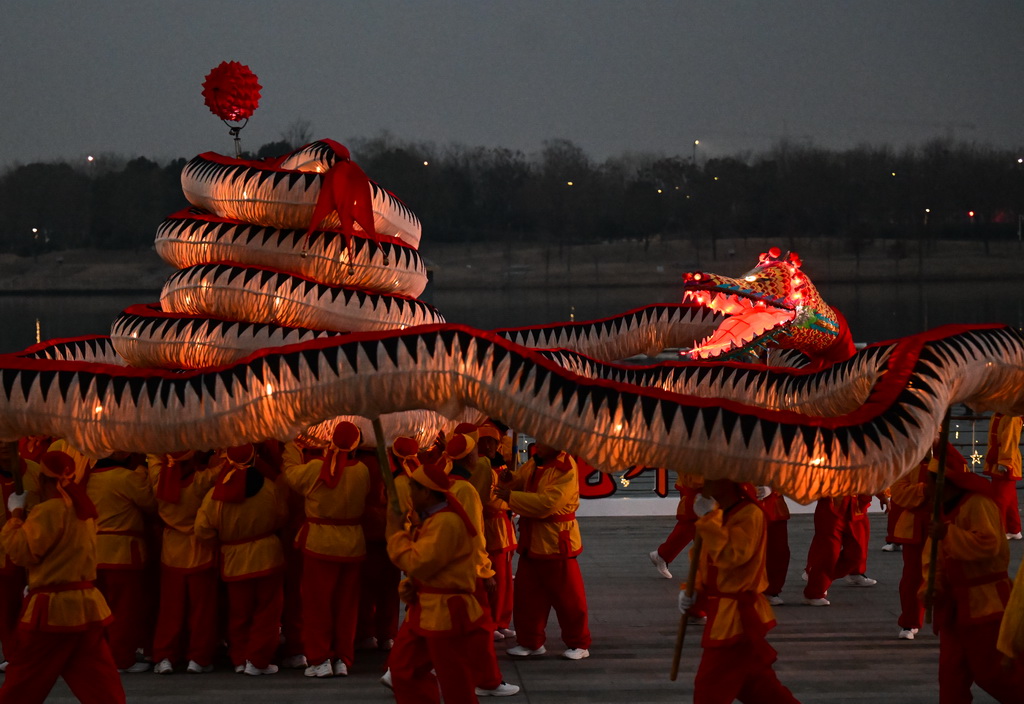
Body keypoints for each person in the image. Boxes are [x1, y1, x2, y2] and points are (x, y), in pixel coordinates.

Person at [0, 448, 127, 704]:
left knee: (24, 680)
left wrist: (15, 516)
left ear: (43, 479)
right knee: (99, 682)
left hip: (52, 610)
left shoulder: (49, 511)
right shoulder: (83, 511)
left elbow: (21, 552)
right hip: (86, 607)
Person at [677, 477, 800, 704]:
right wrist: (691, 591)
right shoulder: (717, 512)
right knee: (759, 688)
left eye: (710, 477)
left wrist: (709, 518)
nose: (704, 484)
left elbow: (733, 557)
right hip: (722, 614)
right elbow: (702, 559)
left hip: (736, 619)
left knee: (709, 689)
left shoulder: (749, 514)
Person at [385, 458, 496, 703]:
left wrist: (395, 533)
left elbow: (418, 563)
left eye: (414, 488)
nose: (410, 493)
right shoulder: (434, 518)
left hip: (446, 612)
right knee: (403, 668)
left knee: (455, 679)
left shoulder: (447, 521)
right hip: (426, 608)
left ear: (426, 492)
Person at [922, 444, 1024, 702]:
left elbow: (991, 546)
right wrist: (930, 587)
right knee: (951, 676)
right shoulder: (940, 512)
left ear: (946, 483)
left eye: (931, 483)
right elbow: (932, 558)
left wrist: (949, 534)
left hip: (986, 603)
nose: (927, 490)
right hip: (954, 607)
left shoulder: (978, 504)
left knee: (994, 673)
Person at [283, 421, 369, 678]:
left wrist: (290, 444)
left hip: (320, 544)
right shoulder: (363, 470)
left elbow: (290, 475)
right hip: (353, 544)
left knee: (317, 605)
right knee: (346, 607)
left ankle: (320, 659)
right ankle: (343, 658)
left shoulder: (314, 469)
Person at [195, 444, 288, 675]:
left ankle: (239, 658)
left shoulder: (214, 494)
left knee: (239, 614)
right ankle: (258, 661)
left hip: (234, 559)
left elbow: (203, 528)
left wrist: (220, 544)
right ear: (254, 458)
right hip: (268, 557)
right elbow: (282, 516)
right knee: (267, 613)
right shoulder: (269, 488)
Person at [495, 441, 591, 660]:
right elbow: (521, 479)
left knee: (569, 598)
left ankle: (578, 642)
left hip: (556, 541)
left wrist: (511, 497)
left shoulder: (565, 467)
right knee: (527, 596)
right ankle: (530, 641)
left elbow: (549, 503)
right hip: (533, 541)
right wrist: (511, 480)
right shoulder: (536, 462)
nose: (538, 443)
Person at [147, 449, 220, 674]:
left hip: (171, 550)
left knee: (170, 610)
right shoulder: (202, 481)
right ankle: (198, 658)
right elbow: (228, 465)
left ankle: (164, 656)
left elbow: (151, 453)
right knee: (202, 611)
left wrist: (164, 442)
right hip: (200, 549)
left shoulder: (158, 479)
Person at [84, 450, 157, 672]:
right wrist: (145, 470)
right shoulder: (126, 477)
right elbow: (151, 504)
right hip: (123, 553)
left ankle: (100, 656)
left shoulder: (86, 477)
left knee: (98, 612)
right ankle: (122, 659)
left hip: (92, 552)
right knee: (124, 610)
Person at [0, 439, 41, 672]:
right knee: (5, 608)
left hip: (32, 549)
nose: (3, 445)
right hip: (2, 553)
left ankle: (32, 653)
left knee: (32, 606)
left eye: (7, 440)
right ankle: (13, 654)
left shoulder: (35, 471)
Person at [802, 493, 882, 606]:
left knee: (857, 554)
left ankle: (818, 581)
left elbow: (873, 477)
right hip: (832, 507)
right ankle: (815, 591)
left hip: (856, 507)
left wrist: (882, 495)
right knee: (829, 553)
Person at [649, 472, 702, 580]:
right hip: (698, 479)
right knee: (695, 521)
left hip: (703, 479)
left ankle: (663, 555)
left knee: (694, 523)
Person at [983, 413, 1023, 539]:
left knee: (999, 498)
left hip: (1004, 461)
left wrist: (1005, 462)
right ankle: (1013, 529)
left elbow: (1011, 440)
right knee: (1009, 498)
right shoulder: (998, 415)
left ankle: (1002, 529)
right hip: (999, 458)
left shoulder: (1011, 417)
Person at [758, 485, 791, 606]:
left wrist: (773, 488)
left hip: (773, 505)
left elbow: (785, 472)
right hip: (742, 503)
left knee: (778, 551)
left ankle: (771, 591)